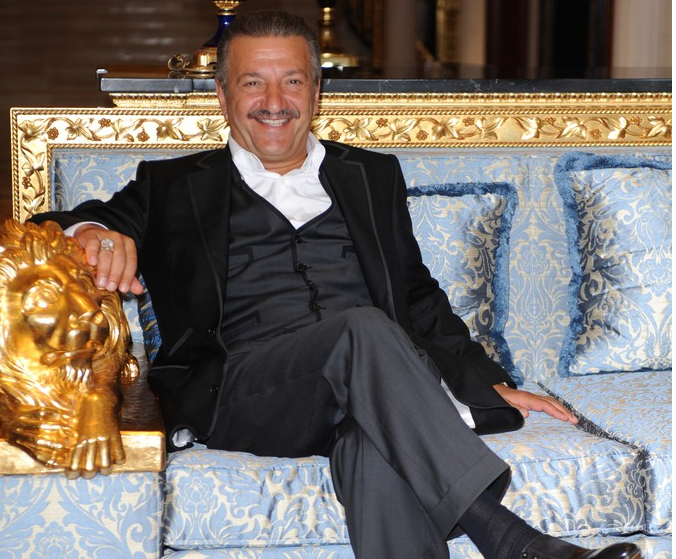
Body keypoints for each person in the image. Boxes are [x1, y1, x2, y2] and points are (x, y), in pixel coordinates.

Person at [31, 10, 641, 559]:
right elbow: (44, 228)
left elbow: (416, 293)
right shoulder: (173, 186)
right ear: (222, 94)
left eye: (292, 81)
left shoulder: (371, 175)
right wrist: (94, 232)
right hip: (247, 393)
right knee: (361, 328)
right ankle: (514, 543)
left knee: (374, 449)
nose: (275, 101)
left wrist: (486, 381)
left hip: (371, 387)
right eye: (253, 83)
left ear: (316, 91)